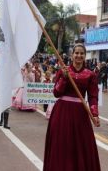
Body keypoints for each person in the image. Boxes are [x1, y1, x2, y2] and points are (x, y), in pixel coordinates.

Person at [43, 43, 101, 171]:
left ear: (85, 56)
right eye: (76, 53)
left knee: (80, 147)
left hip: (80, 115)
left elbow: (93, 97)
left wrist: (94, 114)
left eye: (82, 53)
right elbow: (56, 93)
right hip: (61, 114)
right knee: (62, 146)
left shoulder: (90, 75)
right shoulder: (63, 71)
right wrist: (63, 78)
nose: (79, 56)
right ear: (72, 55)